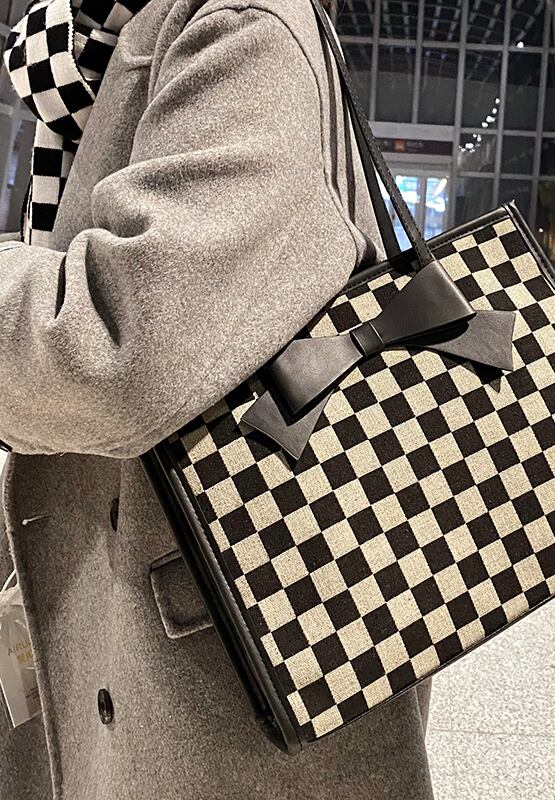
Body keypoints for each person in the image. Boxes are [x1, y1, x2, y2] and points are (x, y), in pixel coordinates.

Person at [0, 0, 433, 797]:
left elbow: (125, 346)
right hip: (176, 595)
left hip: (230, 639)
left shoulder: (243, 23)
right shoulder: (109, 45)